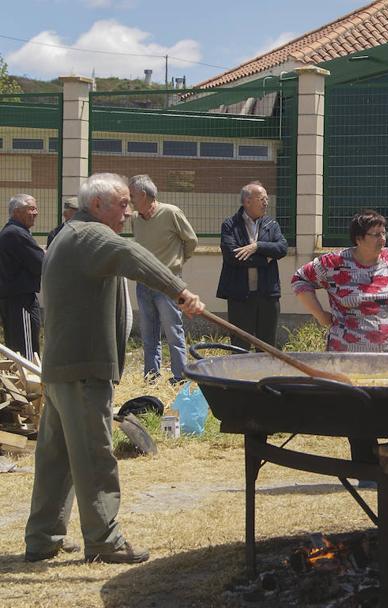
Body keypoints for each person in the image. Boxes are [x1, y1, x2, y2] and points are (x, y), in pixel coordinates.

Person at [24, 173, 204, 565]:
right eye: (122, 204)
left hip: (61, 367)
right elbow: (135, 257)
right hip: (84, 367)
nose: (128, 212)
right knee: (94, 454)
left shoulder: (69, 234)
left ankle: (42, 537)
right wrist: (181, 291)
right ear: (98, 205)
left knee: (56, 456)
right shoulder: (92, 235)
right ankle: (105, 540)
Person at [292, 209, 388, 468]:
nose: (383, 239)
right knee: (359, 411)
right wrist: (320, 315)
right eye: (376, 234)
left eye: (384, 233)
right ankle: (365, 467)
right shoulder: (333, 264)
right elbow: (300, 280)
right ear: (358, 238)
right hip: (352, 357)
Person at [130, 175, 198, 383]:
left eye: (132, 195)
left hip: (169, 284)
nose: (130, 199)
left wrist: (177, 263)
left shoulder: (171, 213)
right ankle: (152, 377)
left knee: (172, 331)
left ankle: (180, 377)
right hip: (144, 282)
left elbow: (191, 241)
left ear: (143, 195)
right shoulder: (135, 218)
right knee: (148, 333)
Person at [217, 181, 288, 350]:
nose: (266, 202)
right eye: (262, 199)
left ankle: (266, 377)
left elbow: (282, 248)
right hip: (240, 296)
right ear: (247, 201)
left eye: (267, 199)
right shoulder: (230, 225)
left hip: (267, 295)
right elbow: (232, 256)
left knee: (266, 346)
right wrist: (265, 259)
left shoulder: (272, 225)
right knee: (240, 345)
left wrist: (257, 246)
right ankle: (240, 377)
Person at [0, 194, 43, 358]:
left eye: (36, 208)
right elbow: (41, 263)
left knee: (18, 345)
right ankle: (27, 381)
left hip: (15, 298)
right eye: (31, 209)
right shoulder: (16, 234)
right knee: (26, 348)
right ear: (16, 212)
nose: (35, 212)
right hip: (20, 300)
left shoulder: (15, 232)